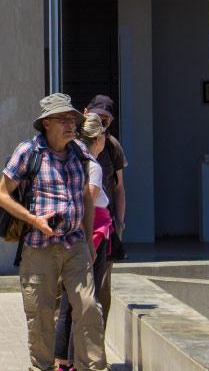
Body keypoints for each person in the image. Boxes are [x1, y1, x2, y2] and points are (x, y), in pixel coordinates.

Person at [0, 93, 107, 371]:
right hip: (38, 247)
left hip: (76, 244)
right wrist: (33, 219)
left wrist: (90, 240)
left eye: (72, 118)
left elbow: (86, 199)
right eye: (63, 119)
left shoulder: (80, 152)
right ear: (46, 123)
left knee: (88, 307)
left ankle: (93, 367)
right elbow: (1, 195)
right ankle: (40, 366)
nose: (71, 124)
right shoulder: (28, 152)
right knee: (40, 315)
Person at [53, 113, 114, 370]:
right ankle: (76, 362)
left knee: (68, 301)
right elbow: (88, 201)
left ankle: (62, 362)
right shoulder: (93, 166)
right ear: (98, 139)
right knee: (85, 302)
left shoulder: (73, 160)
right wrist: (90, 242)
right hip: (92, 235)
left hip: (74, 234)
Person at [83, 94, 127, 324]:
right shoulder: (72, 147)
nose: (101, 125)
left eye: (106, 121)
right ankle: (63, 355)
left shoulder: (112, 146)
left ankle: (96, 350)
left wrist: (119, 225)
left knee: (101, 291)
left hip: (104, 230)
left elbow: (120, 188)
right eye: (97, 118)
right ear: (85, 113)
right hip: (76, 231)